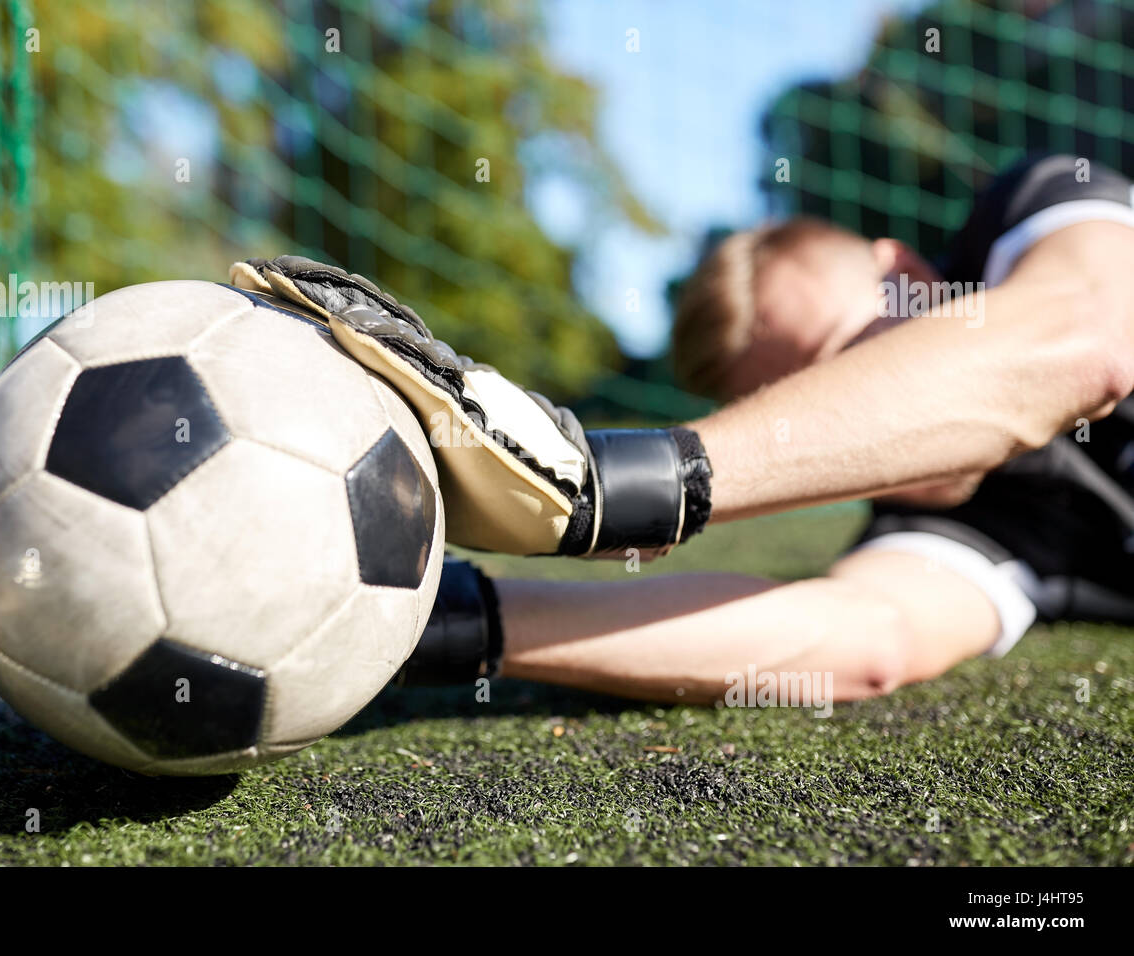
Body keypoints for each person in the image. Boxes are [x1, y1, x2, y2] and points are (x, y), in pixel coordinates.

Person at [231, 153, 1134, 704]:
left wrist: (613, 490)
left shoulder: (1039, 209)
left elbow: (1085, 340)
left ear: (904, 271)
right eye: (804, 399)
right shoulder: (947, 527)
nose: (847, 422)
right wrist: (425, 620)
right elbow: (865, 637)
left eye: (850, 357)